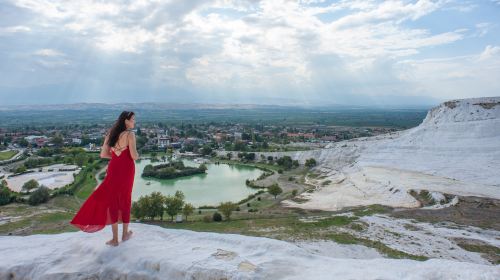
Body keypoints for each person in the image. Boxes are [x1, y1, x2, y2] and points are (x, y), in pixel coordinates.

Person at [70, 111, 139, 246]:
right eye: (133, 119)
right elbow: (134, 156)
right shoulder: (130, 134)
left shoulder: (110, 134)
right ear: (126, 121)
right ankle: (125, 234)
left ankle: (115, 239)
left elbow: (103, 154)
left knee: (112, 200)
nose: (134, 122)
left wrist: (116, 157)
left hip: (113, 169)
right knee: (125, 198)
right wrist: (135, 155)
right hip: (127, 170)